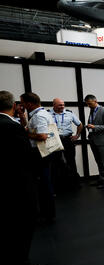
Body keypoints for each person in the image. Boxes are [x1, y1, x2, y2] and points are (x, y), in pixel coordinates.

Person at [0, 91, 48, 265]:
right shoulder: (12, 127)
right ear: (14, 105)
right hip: (19, 182)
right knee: (24, 222)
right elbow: (26, 156)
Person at [20, 92, 56, 222]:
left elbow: (42, 136)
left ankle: (48, 214)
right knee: (44, 182)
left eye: (23, 103)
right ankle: (47, 212)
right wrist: (22, 117)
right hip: (45, 152)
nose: (22, 105)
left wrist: (25, 135)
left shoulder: (39, 116)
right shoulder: (43, 113)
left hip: (40, 153)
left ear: (29, 104)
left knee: (44, 183)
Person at [50, 98, 83, 190]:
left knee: (71, 161)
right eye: (60, 105)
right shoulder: (48, 114)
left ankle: (75, 184)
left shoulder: (69, 113)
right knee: (55, 162)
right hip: (55, 140)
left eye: (63, 105)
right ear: (54, 105)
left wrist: (77, 135)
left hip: (67, 140)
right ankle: (57, 186)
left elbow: (80, 124)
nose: (62, 106)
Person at [85, 94, 104, 189]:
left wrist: (94, 127)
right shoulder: (92, 110)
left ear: (95, 101)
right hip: (93, 139)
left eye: (90, 103)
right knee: (98, 161)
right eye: (87, 104)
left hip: (102, 140)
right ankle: (102, 178)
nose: (88, 106)